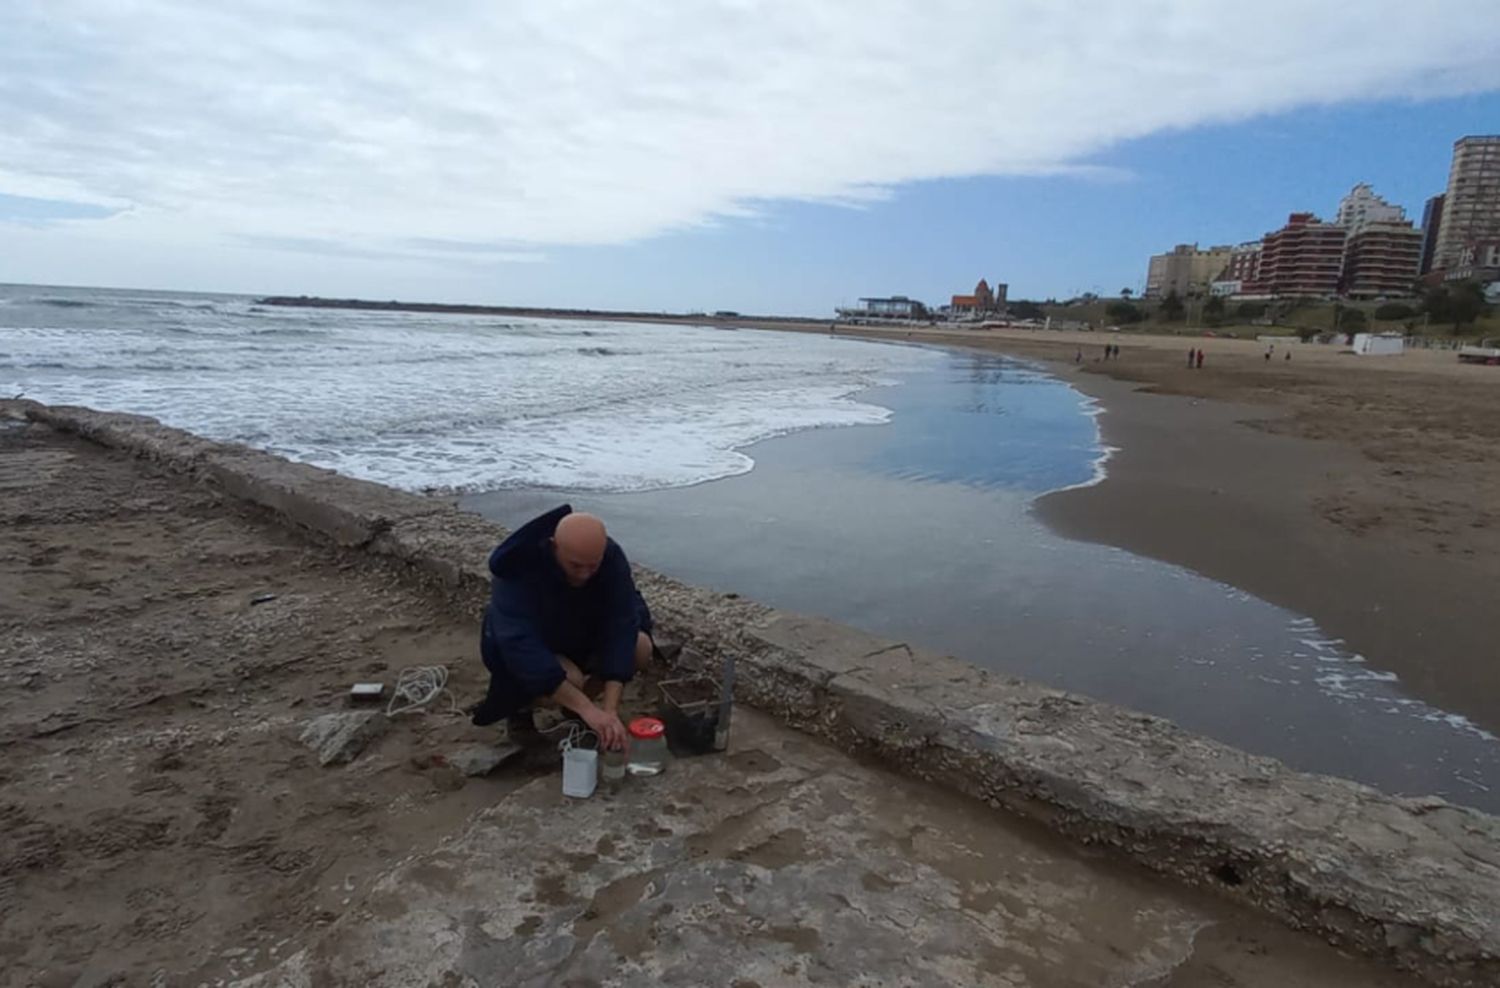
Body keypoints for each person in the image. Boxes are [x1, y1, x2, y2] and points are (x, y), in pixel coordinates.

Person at [470, 505, 652, 751]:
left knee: (639, 647)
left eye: (593, 566)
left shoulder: (610, 557)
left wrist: (609, 711)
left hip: (579, 631)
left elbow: (621, 623)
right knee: (569, 678)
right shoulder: (517, 567)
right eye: (576, 566)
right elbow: (519, 643)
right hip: (526, 643)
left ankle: (576, 708)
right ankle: (522, 711)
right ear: (554, 547)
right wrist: (590, 711)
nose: (585, 575)